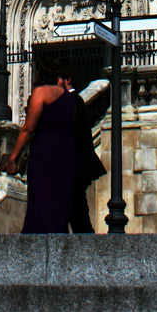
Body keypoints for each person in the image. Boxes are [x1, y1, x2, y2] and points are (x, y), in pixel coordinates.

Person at [3, 58, 75, 233]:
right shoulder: (68, 97)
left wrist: (13, 158)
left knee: (43, 196)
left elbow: (28, 129)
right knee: (60, 197)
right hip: (66, 151)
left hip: (46, 149)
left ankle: (39, 237)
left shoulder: (41, 92)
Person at [60, 66, 107, 233]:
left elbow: (72, 132)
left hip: (77, 165)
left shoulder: (72, 101)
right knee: (72, 209)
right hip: (79, 165)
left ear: (68, 80)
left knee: (77, 210)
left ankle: (87, 245)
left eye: (59, 79)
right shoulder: (76, 101)